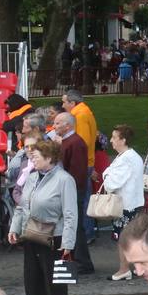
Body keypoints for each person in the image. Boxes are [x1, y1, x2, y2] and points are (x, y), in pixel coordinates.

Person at [7, 138, 78, 295]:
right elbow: (21, 207)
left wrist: (68, 244)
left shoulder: (64, 180)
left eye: (36, 157)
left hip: (55, 236)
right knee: (32, 277)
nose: (33, 160)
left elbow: (71, 214)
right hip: (32, 233)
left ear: (49, 158)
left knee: (56, 280)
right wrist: (14, 228)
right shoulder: (31, 177)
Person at [52, 112, 95, 275]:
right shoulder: (69, 141)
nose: (54, 126)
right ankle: (79, 260)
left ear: (67, 125)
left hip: (74, 191)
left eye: (57, 123)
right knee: (73, 227)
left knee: (75, 227)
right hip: (72, 189)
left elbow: (76, 172)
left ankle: (82, 262)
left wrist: (68, 192)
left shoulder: (75, 143)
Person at [102, 125, 147, 282]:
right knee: (132, 238)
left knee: (123, 238)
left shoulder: (126, 158)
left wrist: (106, 174)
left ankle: (124, 269)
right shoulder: (129, 156)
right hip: (132, 203)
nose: (111, 140)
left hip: (126, 204)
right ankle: (135, 267)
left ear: (123, 140)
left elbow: (111, 183)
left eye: (114, 137)